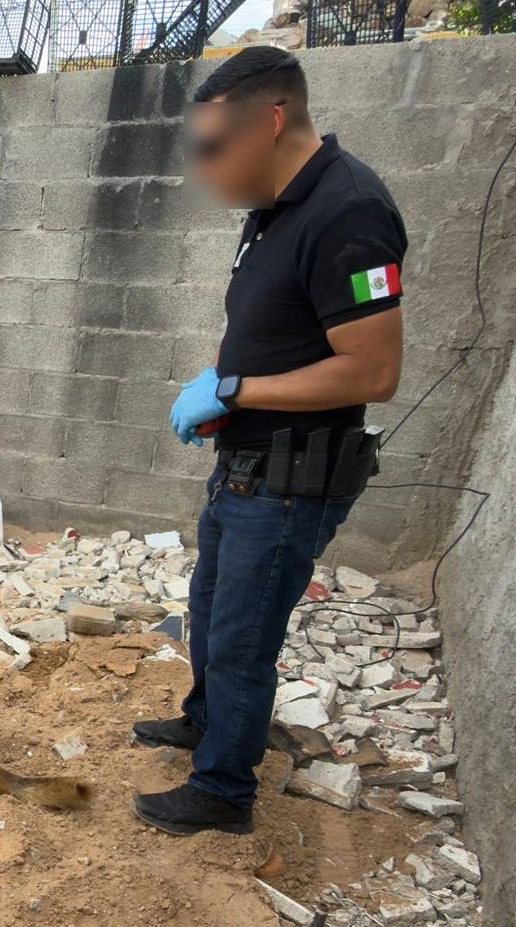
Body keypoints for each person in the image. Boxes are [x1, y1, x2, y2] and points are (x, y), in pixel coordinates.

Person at [131, 47, 408, 835]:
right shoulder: (273, 211)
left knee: (243, 641)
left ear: (273, 121)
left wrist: (239, 391)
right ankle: (205, 724)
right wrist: (214, 379)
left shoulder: (349, 213)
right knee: (210, 610)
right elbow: (260, 326)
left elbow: (373, 369)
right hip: (244, 467)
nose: (204, 166)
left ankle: (223, 792)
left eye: (214, 146)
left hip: (290, 481)